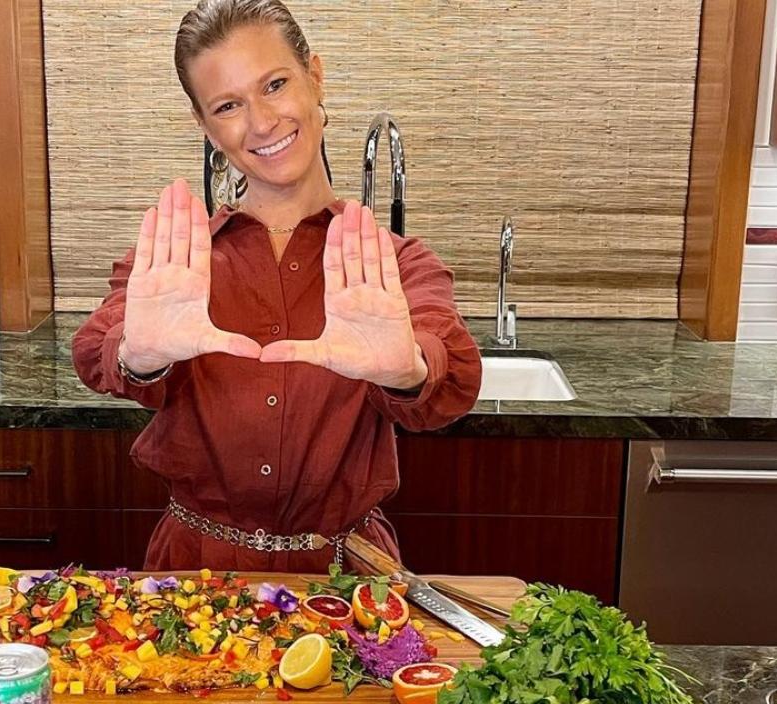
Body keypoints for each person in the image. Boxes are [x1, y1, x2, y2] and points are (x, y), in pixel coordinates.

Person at [73, 0, 481, 572]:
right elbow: (99, 347)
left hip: (349, 574)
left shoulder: (395, 265)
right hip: (193, 575)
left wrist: (408, 371)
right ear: (205, 125)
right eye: (228, 105)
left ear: (315, 77)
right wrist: (137, 357)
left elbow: (451, 378)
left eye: (275, 84)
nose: (261, 122)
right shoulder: (176, 264)